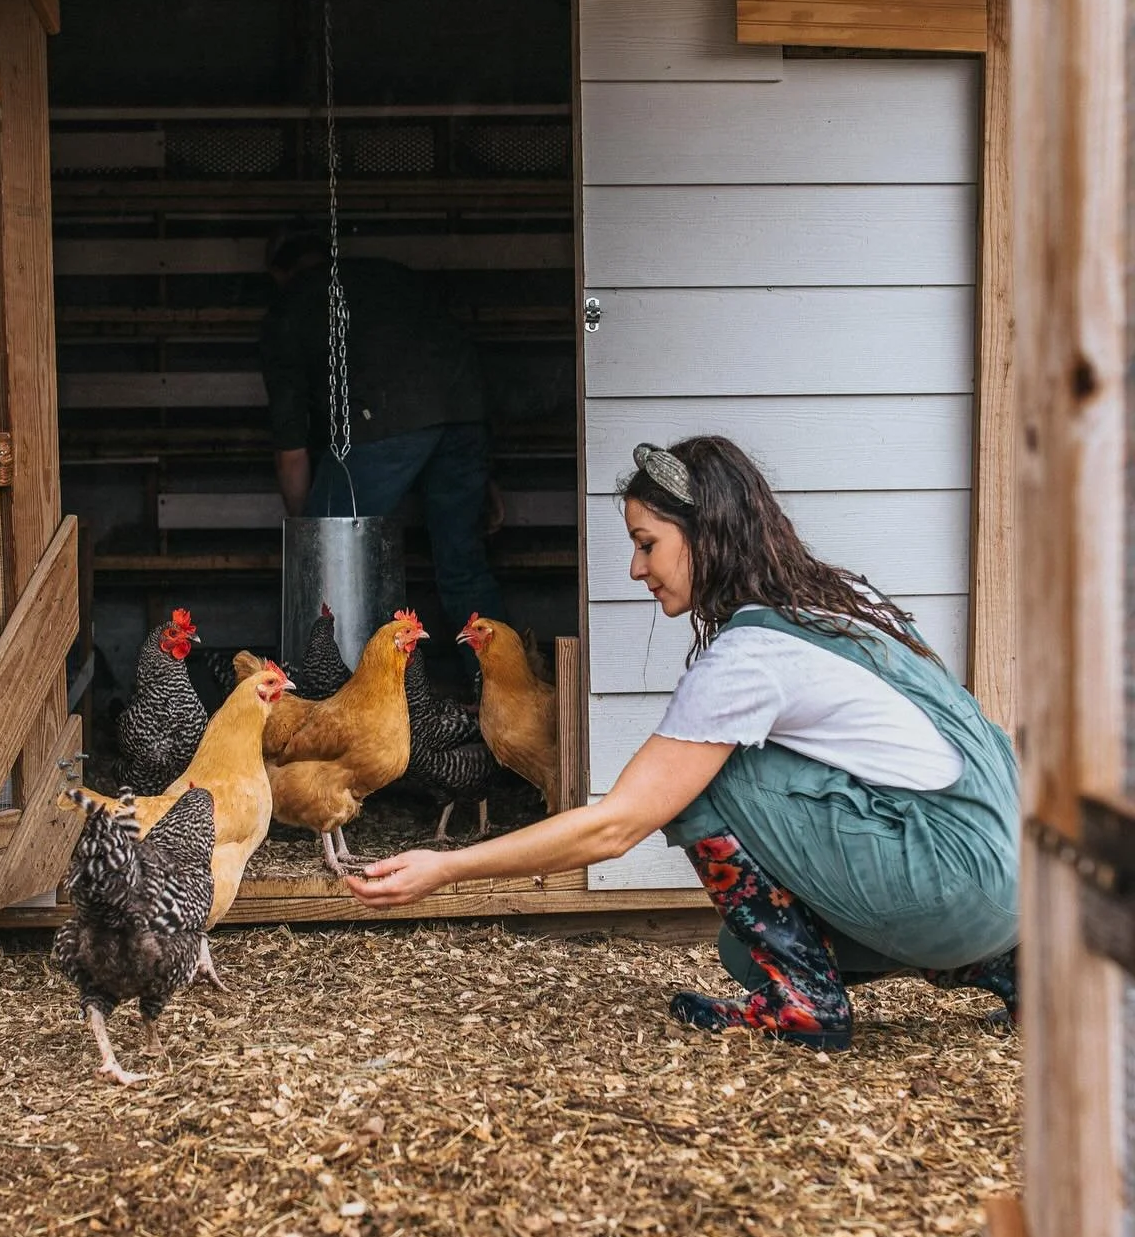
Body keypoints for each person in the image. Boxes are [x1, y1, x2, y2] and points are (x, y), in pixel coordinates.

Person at [347, 435, 1019, 1052]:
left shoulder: (748, 657)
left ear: (706, 534)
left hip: (953, 881)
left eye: (647, 543)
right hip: (1013, 885)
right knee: (745, 951)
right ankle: (1011, 965)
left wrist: (448, 868)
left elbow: (614, 829)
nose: (637, 569)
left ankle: (807, 1007)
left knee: (705, 776)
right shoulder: (847, 600)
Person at [258, 233, 505, 631]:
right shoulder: (390, 276)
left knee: (327, 567)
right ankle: (499, 684)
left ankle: (326, 687)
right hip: (462, 414)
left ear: (277, 272)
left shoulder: (289, 308)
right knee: (463, 565)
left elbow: (292, 452)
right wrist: (481, 474)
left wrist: (312, 533)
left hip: (383, 421)